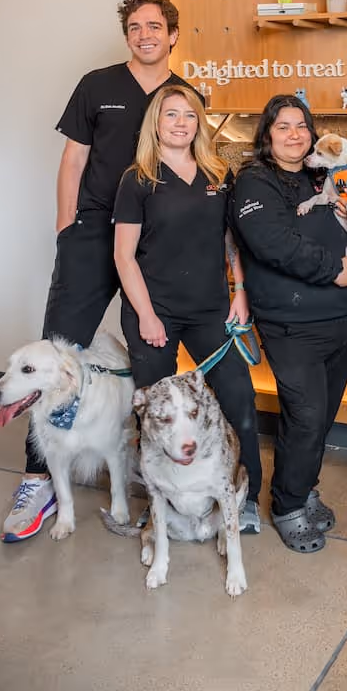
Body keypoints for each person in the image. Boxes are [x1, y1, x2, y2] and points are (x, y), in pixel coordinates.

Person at [1, 0, 193, 543]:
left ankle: (153, 471)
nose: (145, 35)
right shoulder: (97, 85)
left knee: (153, 354)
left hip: (154, 244)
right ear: (127, 34)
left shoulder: (185, 97)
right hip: (92, 233)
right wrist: (67, 228)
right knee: (53, 353)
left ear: (173, 34)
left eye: (155, 26)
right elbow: (74, 159)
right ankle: (37, 479)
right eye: (135, 27)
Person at [231, 95, 347, 553]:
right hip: (290, 321)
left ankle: (303, 486)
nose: (295, 135)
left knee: (322, 415)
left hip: (338, 318)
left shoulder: (324, 174)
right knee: (306, 415)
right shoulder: (255, 182)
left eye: (302, 126)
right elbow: (273, 243)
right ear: (267, 135)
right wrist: (336, 270)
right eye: (283, 127)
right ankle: (287, 505)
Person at [113, 85, 262, 532]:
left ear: (199, 123)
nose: (181, 123)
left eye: (189, 115)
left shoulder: (218, 173)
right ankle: (157, 498)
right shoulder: (137, 179)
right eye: (171, 114)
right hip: (152, 308)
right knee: (156, 412)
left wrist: (240, 291)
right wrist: (146, 315)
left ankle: (245, 495)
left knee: (239, 395)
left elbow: (230, 240)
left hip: (210, 309)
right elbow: (123, 255)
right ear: (155, 123)